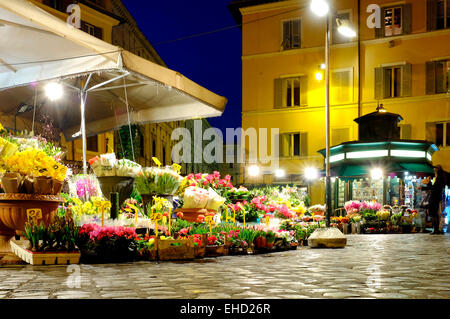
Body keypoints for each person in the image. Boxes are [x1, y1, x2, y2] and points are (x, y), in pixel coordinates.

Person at [424, 166, 447, 235]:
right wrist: (424, 187)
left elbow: (433, 189)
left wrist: (428, 182)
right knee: (434, 214)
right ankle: (436, 229)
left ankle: (436, 230)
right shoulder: (439, 179)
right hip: (436, 198)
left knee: (433, 214)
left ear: (437, 171)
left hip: (435, 198)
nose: (434, 171)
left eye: (435, 170)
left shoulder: (439, 179)